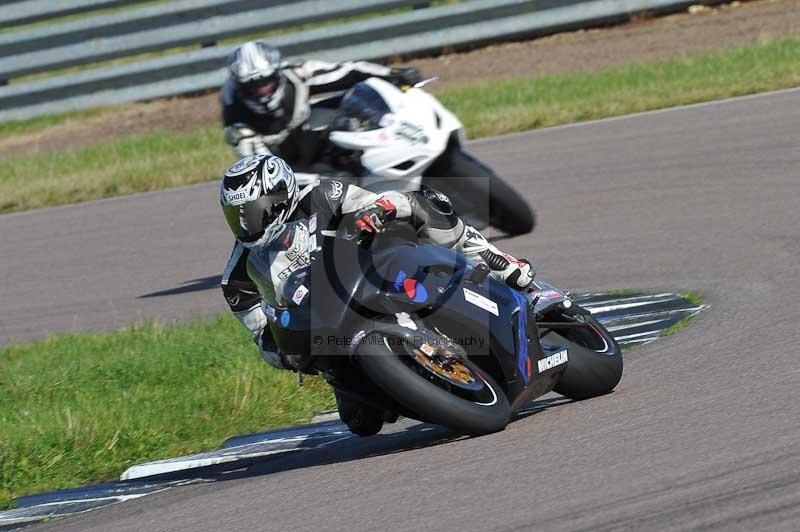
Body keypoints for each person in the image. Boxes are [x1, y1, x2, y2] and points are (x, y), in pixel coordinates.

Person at [219, 154, 535, 431]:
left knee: (423, 203)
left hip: (374, 270)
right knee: (361, 422)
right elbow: (261, 333)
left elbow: (380, 202)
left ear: (280, 196)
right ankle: (430, 386)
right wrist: (284, 353)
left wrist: (376, 212)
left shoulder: (323, 195)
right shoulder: (237, 279)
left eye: (251, 211)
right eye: (236, 215)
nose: (245, 224)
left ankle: (497, 261)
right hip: (328, 326)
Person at [221, 40, 421, 172]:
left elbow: (348, 71)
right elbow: (263, 169)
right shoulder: (234, 110)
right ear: (240, 86)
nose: (262, 91)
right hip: (283, 164)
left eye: (265, 82)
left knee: (352, 102)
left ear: (277, 74)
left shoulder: (296, 76)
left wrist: (392, 74)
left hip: (307, 134)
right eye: (253, 87)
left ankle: (396, 145)